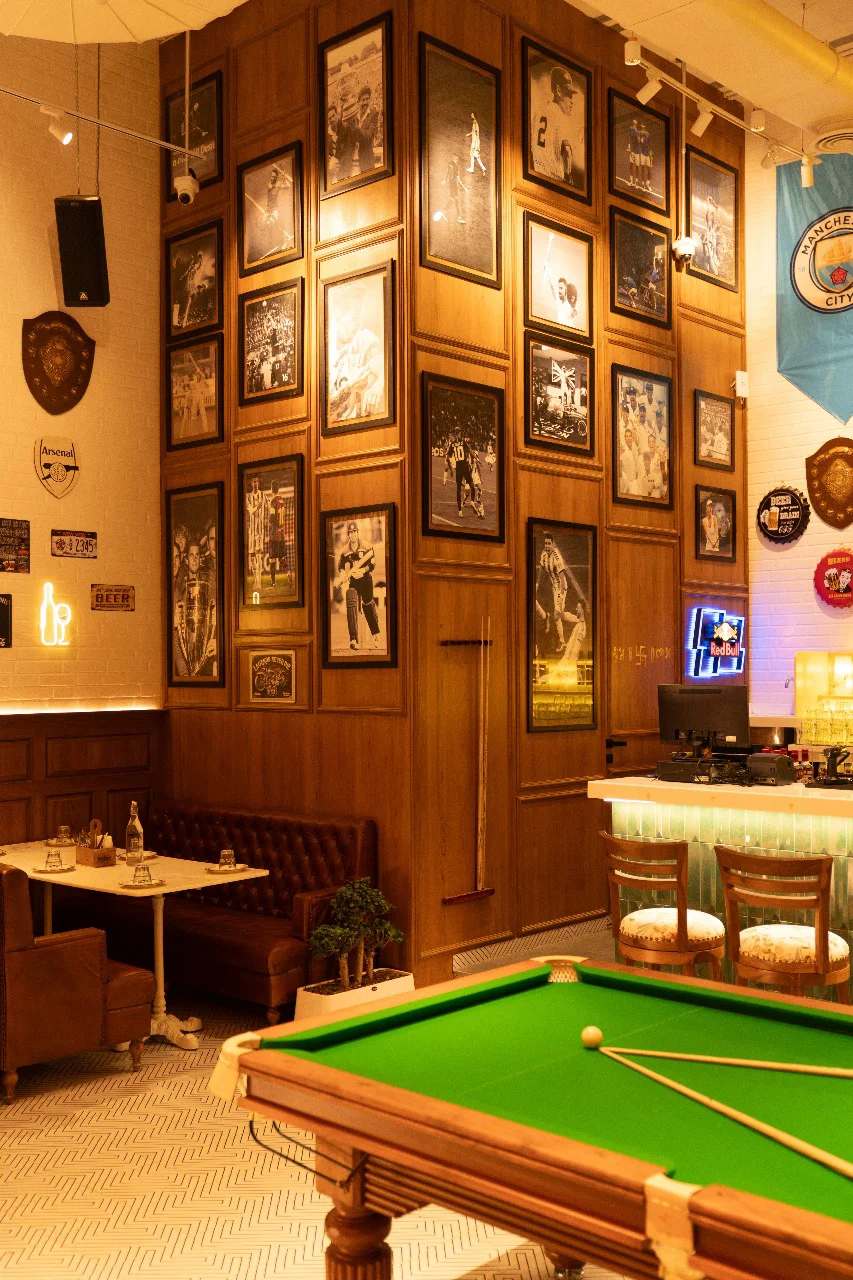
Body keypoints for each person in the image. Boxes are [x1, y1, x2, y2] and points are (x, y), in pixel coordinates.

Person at [328, 288, 384, 423]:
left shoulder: (363, 339)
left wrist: (378, 386)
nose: (357, 326)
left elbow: (385, 364)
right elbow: (320, 412)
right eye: (354, 318)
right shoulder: (319, 352)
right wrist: (349, 387)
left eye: (359, 319)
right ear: (338, 315)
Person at [531, 64, 581, 186]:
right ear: (558, 90)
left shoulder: (539, 111)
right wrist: (568, 176)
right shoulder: (559, 114)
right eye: (568, 95)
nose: (571, 101)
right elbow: (567, 151)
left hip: (537, 172)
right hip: (555, 176)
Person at [336, 521, 382, 650]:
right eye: (350, 533)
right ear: (348, 535)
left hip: (366, 580)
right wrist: (343, 574)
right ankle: (353, 640)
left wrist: (363, 570)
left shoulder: (366, 546)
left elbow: (372, 564)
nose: (353, 535)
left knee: (368, 606)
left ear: (357, 532)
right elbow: (340, 566)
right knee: (352, 608)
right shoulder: (345, 551)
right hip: (353, 582)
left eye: (355, 532)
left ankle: (375, 634)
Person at [267, 480, 290, 588]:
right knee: (281, 557)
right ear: (278, 488)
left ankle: (273, 582)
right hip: (282, 533)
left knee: (272, 558)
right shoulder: (282, 500)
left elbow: (272, 518)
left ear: (272, 489)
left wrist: (267, 521)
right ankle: (288, 573)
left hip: (274, 534)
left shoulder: (273, 501)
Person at [245, 475, 266, 592]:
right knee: (252, 556)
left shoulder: (263, 495)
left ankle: (259, 581)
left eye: (257, 481)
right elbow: (251, 511)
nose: (256, 483)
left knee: (258, 555)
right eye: (254, 481)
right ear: (251, 484)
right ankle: (255, 579)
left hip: (259, 531)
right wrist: (257, 507)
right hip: (251, 532)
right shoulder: (248, 498)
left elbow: (268, 505)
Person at [445, 434, 475, 518]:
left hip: (458, 468)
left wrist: (451, 470)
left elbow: (447, 457)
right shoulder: (463, 442)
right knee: (472, 485)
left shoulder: (452, 444)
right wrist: (477, 459)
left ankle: (460, 511)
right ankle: (472, 502)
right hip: (464, 466)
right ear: (459, 433)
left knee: (458, 489)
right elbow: (469, 451)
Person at [353, 85, 381, 174]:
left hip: (366, 160)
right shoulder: (354, 116)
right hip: (352, 162)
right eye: (363, 100)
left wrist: (357, 128)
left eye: (367, 99)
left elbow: (369, 137)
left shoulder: (373, 114)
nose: (365, 102)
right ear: (358, 102)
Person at [436, 155, 467, 224]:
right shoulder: (454, 166)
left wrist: (445, 180)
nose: (456, 160)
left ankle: (443, 211)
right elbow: (451, 174)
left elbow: (450, 173)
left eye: (456, 159)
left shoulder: (452, 165)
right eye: (456, 159)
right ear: (454, 159)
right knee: (456, 200)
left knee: (453, 200)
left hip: (453, 185)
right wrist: (445, 180)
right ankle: (459, 218)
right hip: (453, 185)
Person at [620, 426, 642, 496]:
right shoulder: (622, 450)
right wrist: (627, 481)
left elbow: (637, 464)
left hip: (635, 480)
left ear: (632, 437)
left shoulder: (634, 447)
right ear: (625, 438)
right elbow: (621, 470)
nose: (629, 438)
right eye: (627, 436)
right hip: (626, 481)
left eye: (630, 436)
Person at [627, 117, 641, 188]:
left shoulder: (638, 132)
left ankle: (636, 183)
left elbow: (639, 142)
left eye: (635, 124)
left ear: (637, 125)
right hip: (632, 151)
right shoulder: (630, 129)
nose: (634, 125)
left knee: (637, 167)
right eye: (633, 123)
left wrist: (636, 133)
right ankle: (631, 181)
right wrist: (629, 146)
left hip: (637, 152)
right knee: (631, 165)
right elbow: (629, 137)